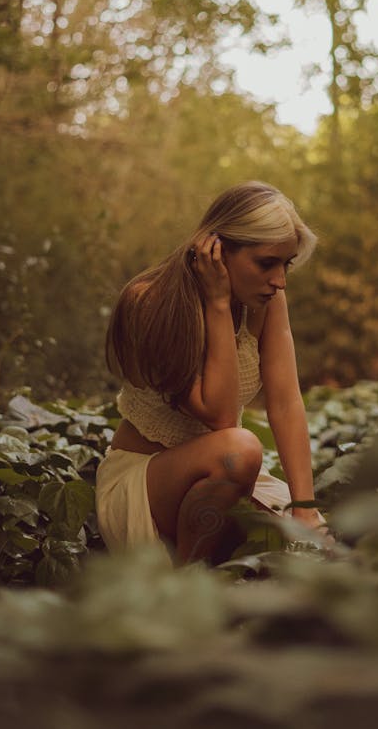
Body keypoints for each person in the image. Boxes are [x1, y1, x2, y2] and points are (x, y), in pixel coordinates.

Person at [95, 181, 328, 566]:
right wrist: (218, 304)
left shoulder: (268, 301)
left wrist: (304, 508)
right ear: (217, 251)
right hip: (144, 488)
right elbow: (220, 418)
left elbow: (285, 402)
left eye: (285, 265)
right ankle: (193, 586)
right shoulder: (150, 301)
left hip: (223, 478)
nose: (279, 281)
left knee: (321, 546)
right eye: (266, 263)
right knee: (241, 449)